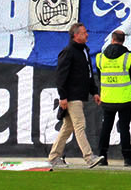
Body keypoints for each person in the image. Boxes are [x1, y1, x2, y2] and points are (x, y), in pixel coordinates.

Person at [49, 23, 105, 169]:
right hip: (72, 96)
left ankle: (54, 157)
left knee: (67, 128)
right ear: (76, 35)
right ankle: (89, 157)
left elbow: (88, 73)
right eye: (84, 33)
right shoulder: (68, 51)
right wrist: (63, 96)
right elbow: (61, 76)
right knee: (80, 125)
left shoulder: (84, 50)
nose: (87, 35)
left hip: (79, 95)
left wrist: (94, 92)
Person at [95, 30, 131, 166]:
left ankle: (102, 156)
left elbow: (99, 75)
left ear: (112, 39)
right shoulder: (129, 57)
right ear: (123, 40)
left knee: (106, 127)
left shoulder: (100, 58)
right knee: (124, 128)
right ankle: (128, 158)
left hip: (108, 98)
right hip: (124, 98)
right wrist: (130, 89)